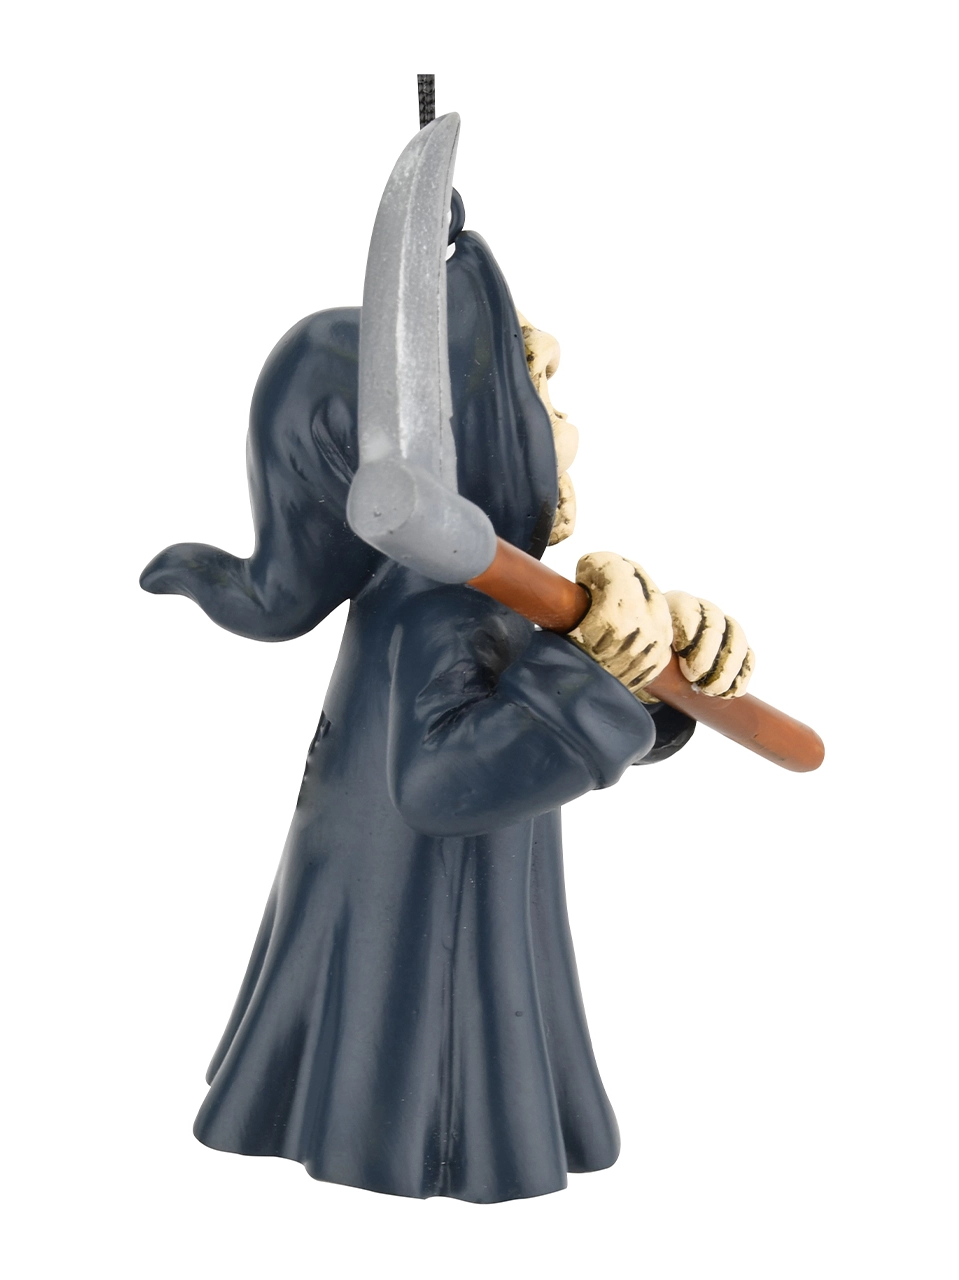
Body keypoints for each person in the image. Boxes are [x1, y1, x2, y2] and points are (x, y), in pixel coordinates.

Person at [140, 202, 752, 1203]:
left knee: (457, 980)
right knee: (419, 1015)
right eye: (542, 395)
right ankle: (405, 1129)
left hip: (447, 891)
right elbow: (444, 782)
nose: (570, 428)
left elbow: (553, 716)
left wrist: (648, 665)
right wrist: (596, 670)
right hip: (417, 902)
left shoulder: (481, 596)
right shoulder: (438, 613)